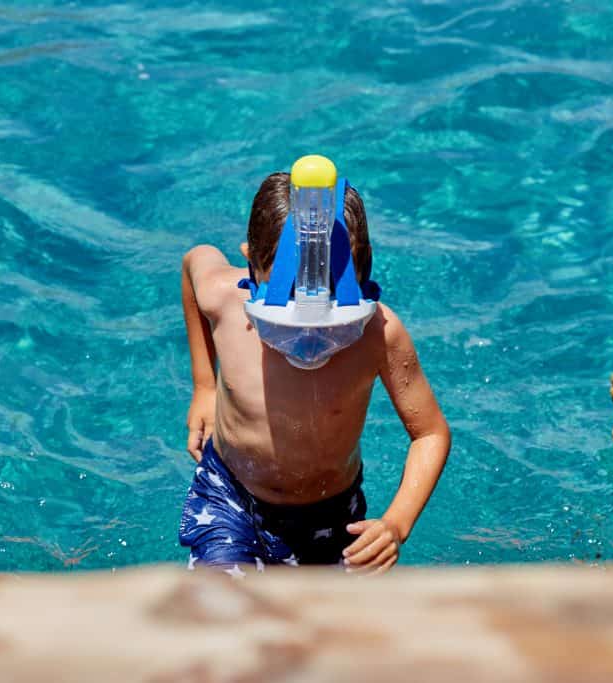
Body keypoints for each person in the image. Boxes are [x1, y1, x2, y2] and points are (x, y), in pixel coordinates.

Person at [179, 162, 450, 577]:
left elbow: (429, 433)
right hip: (230, 495)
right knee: (224, 615)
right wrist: (204, 386)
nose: (311, 337)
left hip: (332, 512)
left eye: (336, 316)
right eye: (285, 313)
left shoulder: (379, 332)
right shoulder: (226, 301)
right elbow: (194, 261)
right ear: (252, 267)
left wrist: (396, 523)